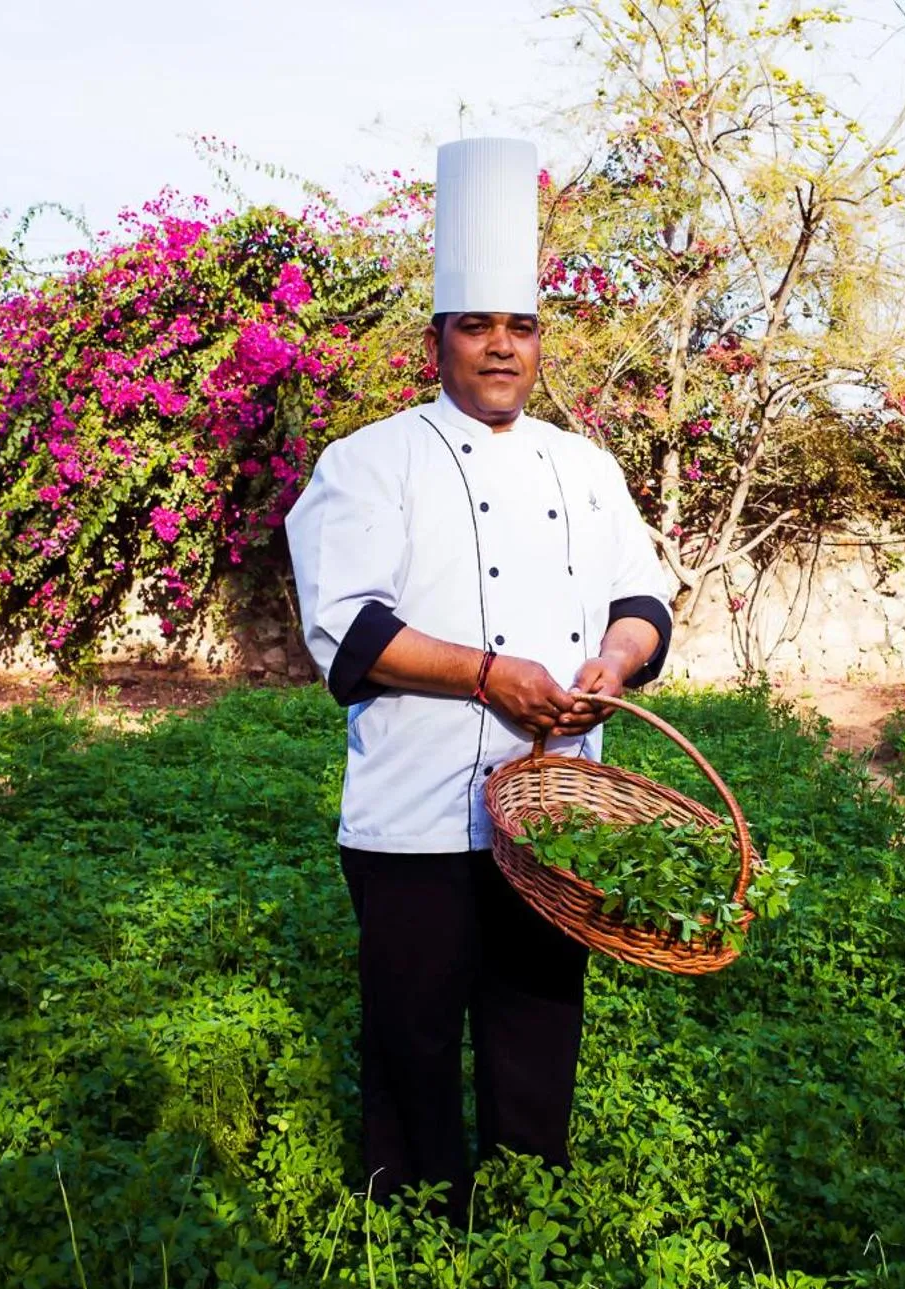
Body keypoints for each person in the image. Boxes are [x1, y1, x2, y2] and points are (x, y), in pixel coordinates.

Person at [285, 137, 676, 1216]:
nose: (500, 348)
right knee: (410, 1029)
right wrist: (490, 675)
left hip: (553, 812)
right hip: (412, 812)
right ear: (438, 339)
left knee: (539, 1018)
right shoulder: (369, 461)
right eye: (477, 326)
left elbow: (642, 602)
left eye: (520, 326)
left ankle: (527, 1220)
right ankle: (415, 1226)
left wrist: (613, 661)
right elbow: (350, 629)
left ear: (539, 340)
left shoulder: (583, 467)